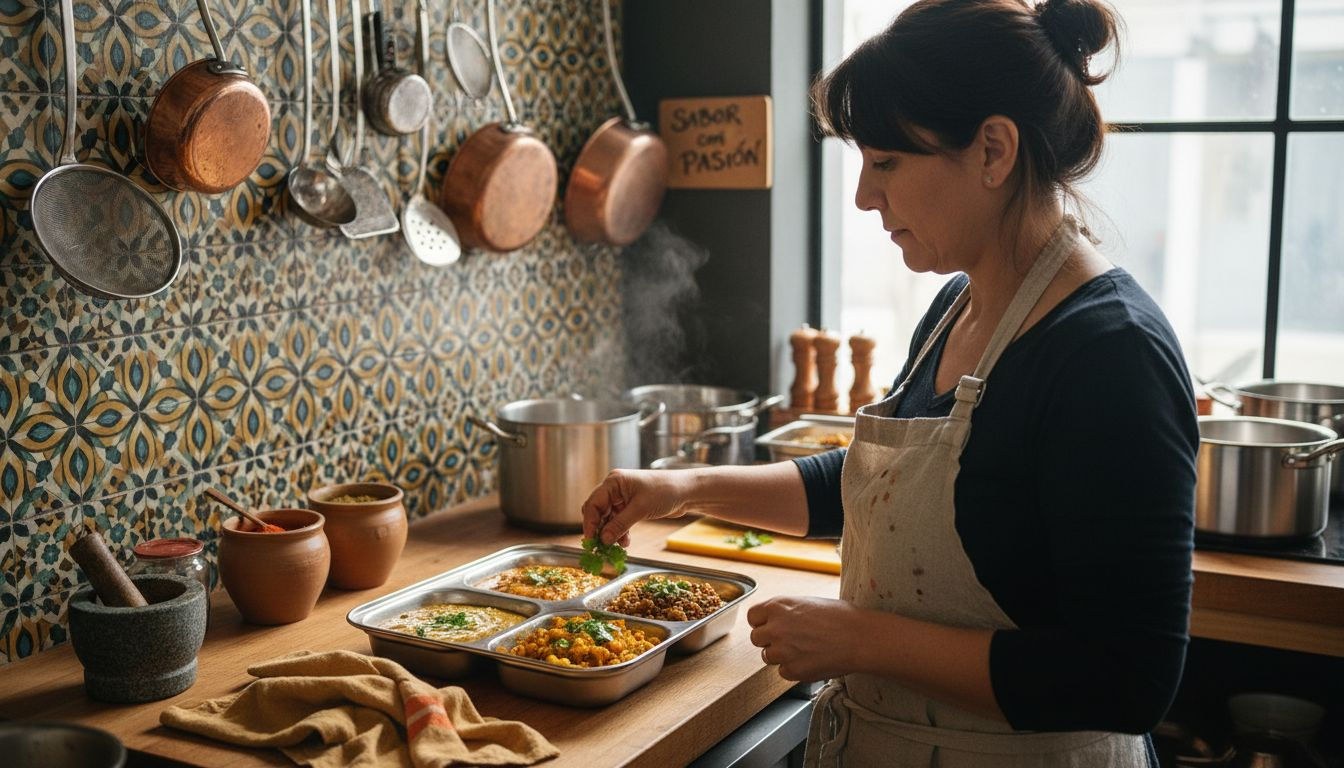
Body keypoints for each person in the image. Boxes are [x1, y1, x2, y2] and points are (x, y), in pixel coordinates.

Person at [581, 0, 1198, 764]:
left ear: (993, 151)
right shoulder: (959, 305)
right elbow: (884, 486)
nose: (865, 198)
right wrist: (684, 488)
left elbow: (1127, 678)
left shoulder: (1111, 355)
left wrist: (861, 638)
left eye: (887, 163)